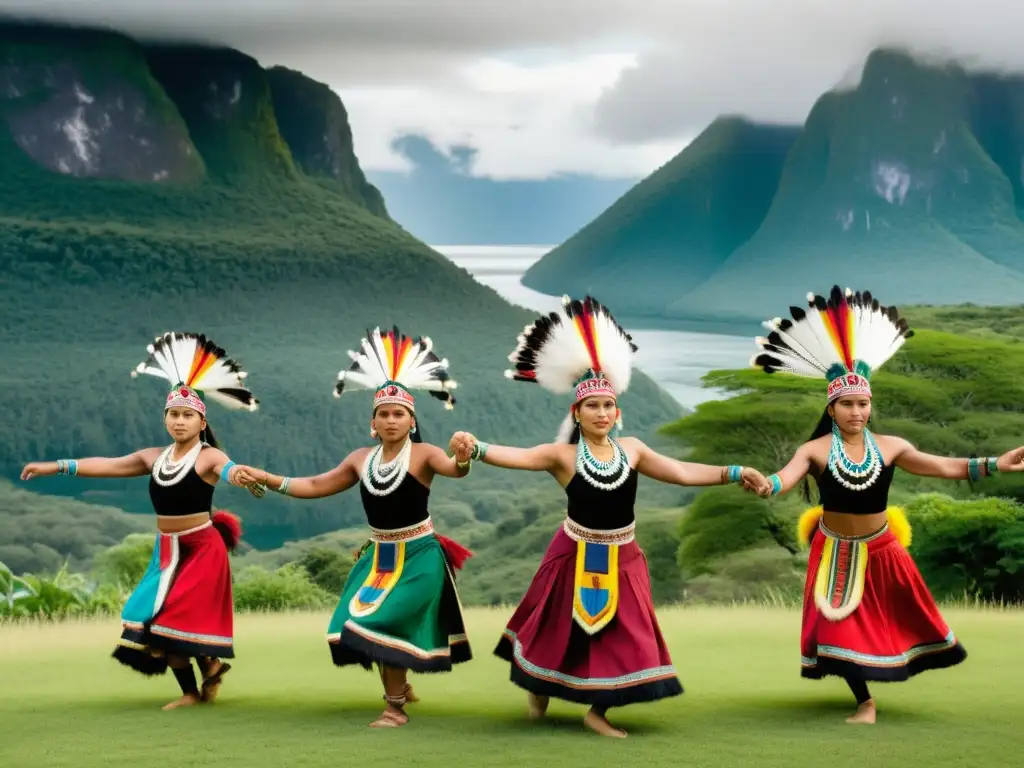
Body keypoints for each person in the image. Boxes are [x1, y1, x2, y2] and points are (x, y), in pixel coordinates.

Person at [448, 295, 768, 739]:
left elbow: (679, 471)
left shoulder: (633, 449)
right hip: (572, 554)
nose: (601, 413)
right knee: (555, 629)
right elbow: (516, 456)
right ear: (575, 412)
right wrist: (475, 448)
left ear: (617, 412)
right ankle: (538, 690)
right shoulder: (561, 456)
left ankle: (598, 711)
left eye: (607, 406)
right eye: (592, 406)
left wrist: (733, 472)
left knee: (625, 632)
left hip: (624, 557)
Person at [749, 285, 1024, 724]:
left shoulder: (892, 446)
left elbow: (942, 467)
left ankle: (887, 675)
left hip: (883, 548)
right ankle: (865, 701)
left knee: (894, 619)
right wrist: (767, 486)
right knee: (836, 622)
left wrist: (996, 464)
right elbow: (785, 478)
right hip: (834, 550)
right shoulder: (816, 449)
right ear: (832, 408)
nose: (856, 412)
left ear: (870, 406)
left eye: (863, 404)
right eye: (847, 405)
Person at [232, 326, 474, 729]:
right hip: (378, 557)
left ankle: (394, 708)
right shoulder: (361, 459)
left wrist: (463, 457)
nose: (391, 420)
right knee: (357, 622)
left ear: (412, 420)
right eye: (384, 414)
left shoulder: (427, 455)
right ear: (372, 422)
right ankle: (400, 686)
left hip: (420, 556)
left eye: (399, 414)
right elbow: (314, 485)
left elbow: (455, 470)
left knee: (383, 621)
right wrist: (267, 477)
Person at [19, 331, 260, 711]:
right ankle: (198, 682)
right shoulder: (153, 457)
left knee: (173, 617)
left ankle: (202, 676)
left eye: (187, 416)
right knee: (148, 618)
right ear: (165, 418)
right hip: (165, 552)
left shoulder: (209, 457)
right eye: (174, 414)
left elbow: (228, 469)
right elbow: (108, 465)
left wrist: (239, 476)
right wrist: (54, 466)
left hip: (201, 548)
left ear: (201, 421)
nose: (179, 421)